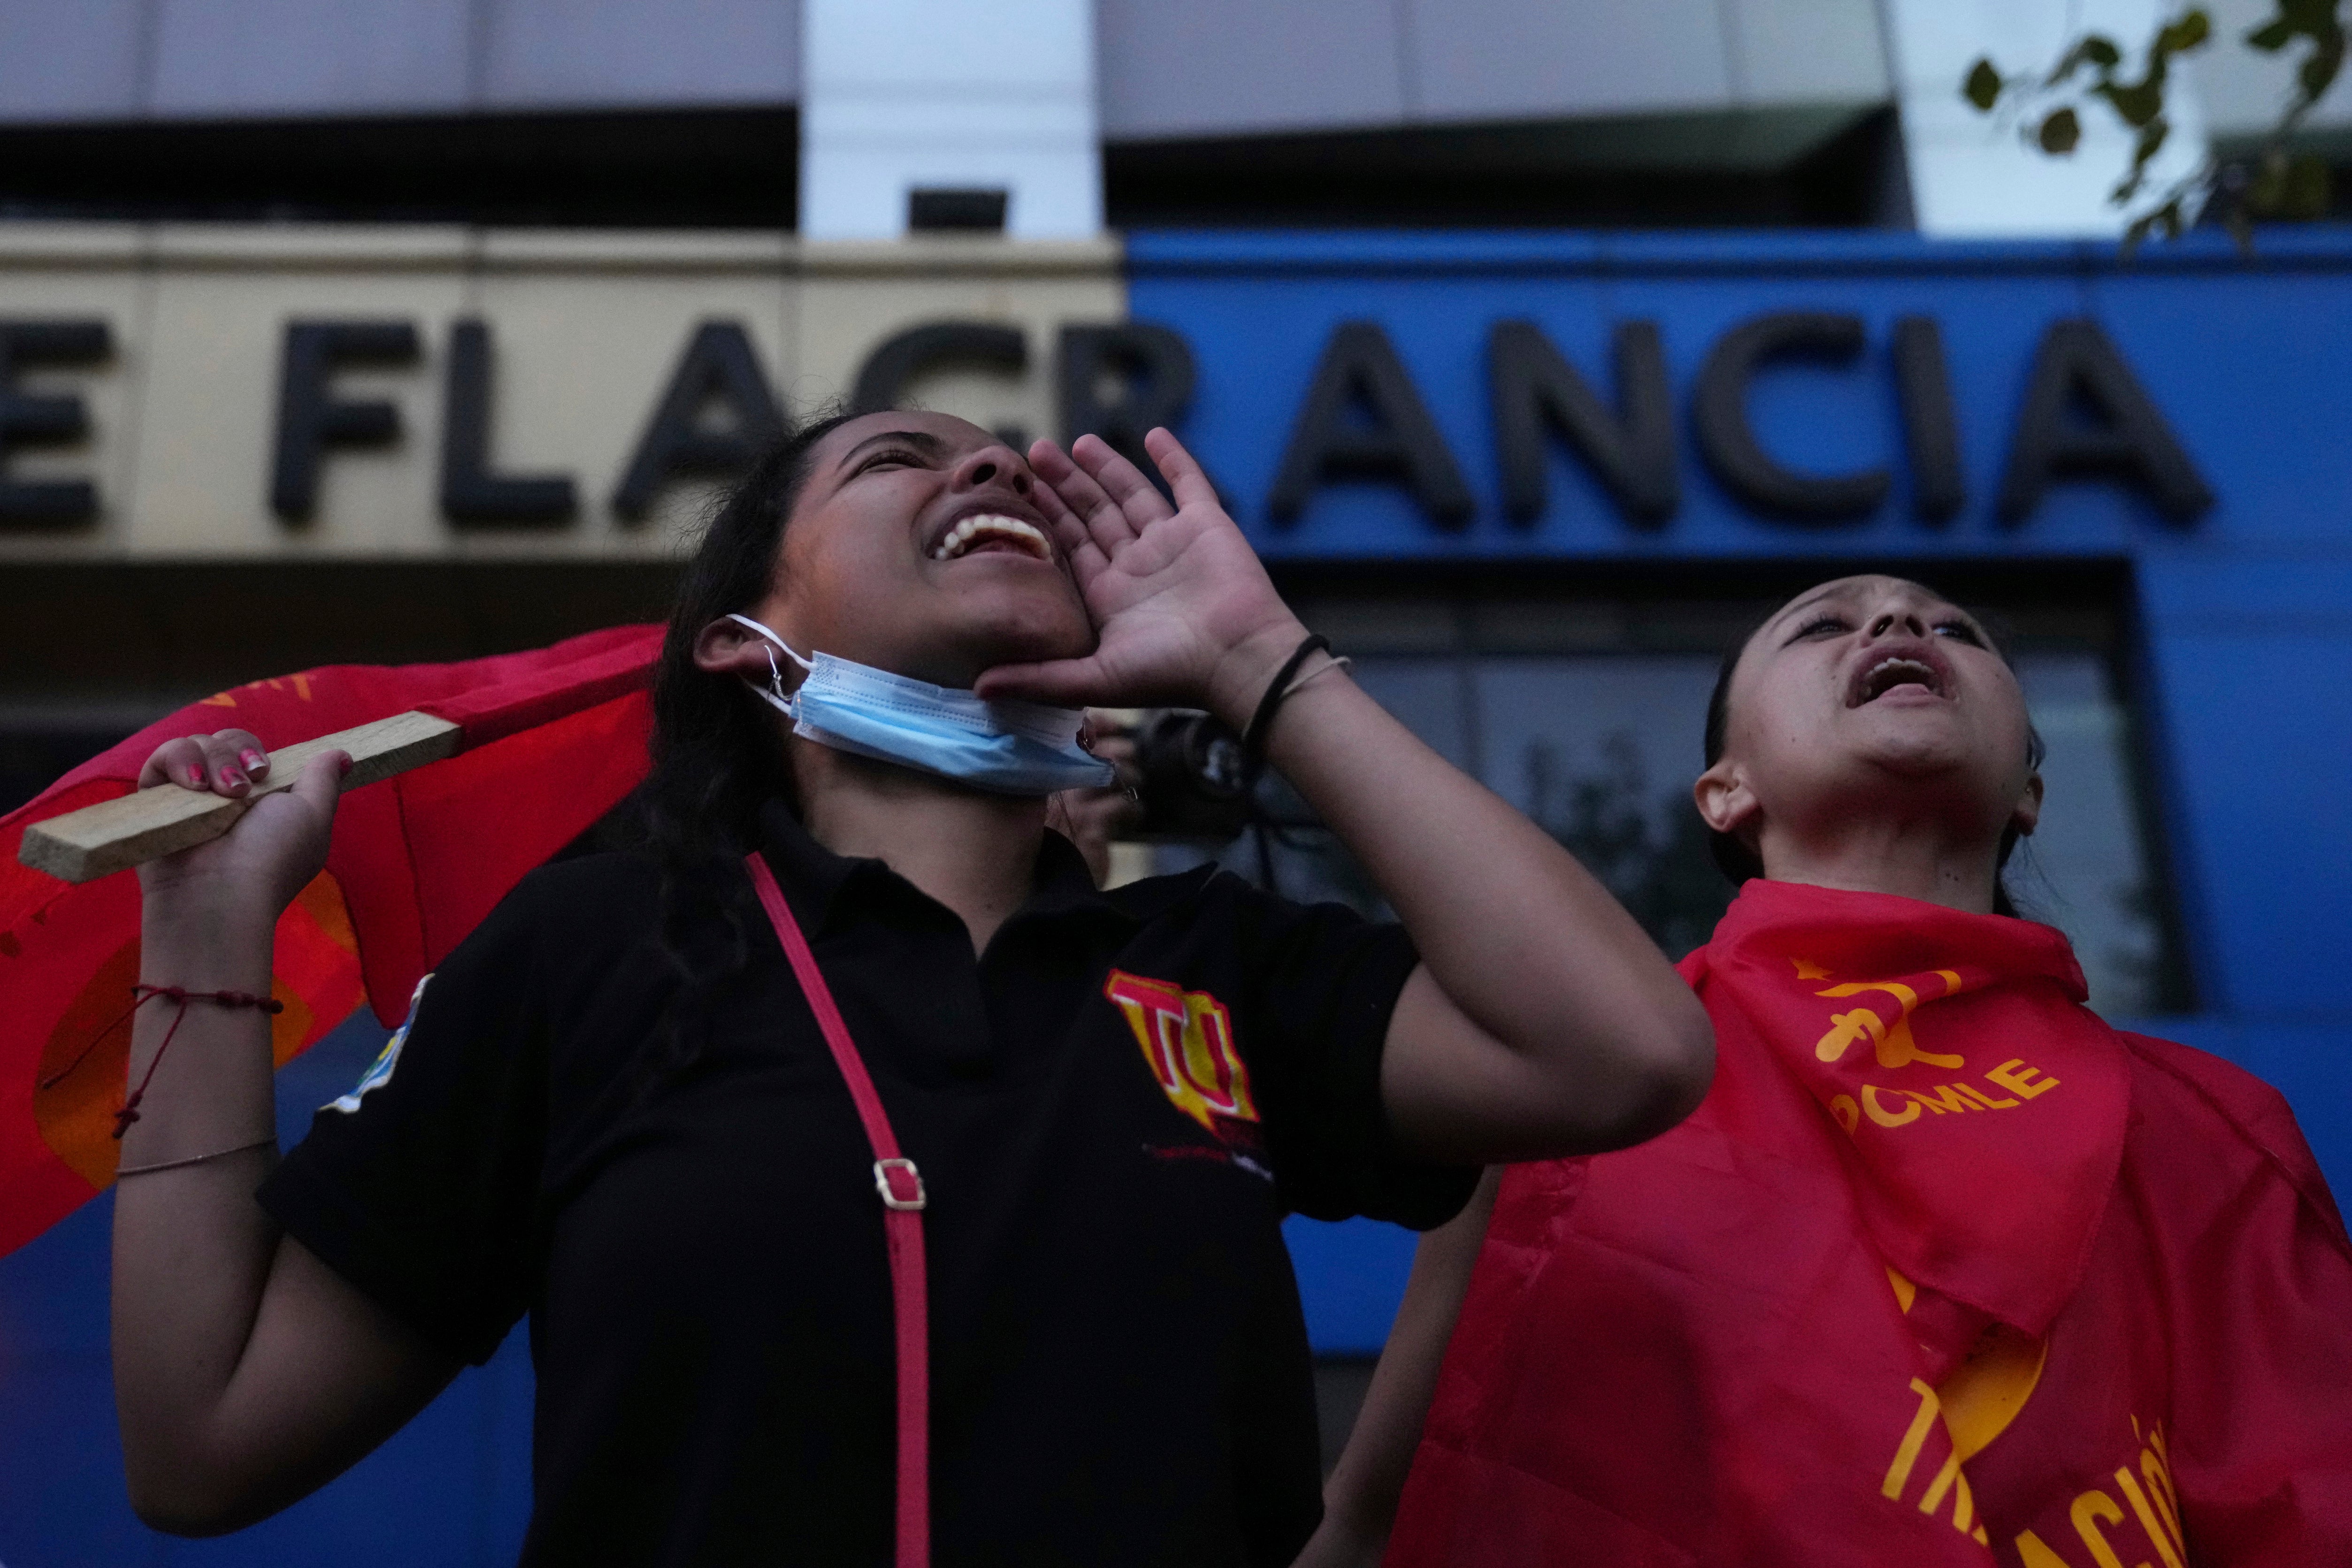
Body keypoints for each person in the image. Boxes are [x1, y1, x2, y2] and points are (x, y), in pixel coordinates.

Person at [106, 413, 1714, 1565]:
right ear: (745, 645)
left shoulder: (1217, 968)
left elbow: (1622, 1053)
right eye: (898, 457)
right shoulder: (590, 946)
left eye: (1005, 454)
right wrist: (204, 934)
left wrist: (1258, 663)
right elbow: (204, 1442)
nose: (997, 463)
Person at [1307, 575, 2352, 1568]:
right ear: (1724, 793)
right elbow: (1382, 1516)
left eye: (1955, 631)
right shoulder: (1586, 1087)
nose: (1898, 620)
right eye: (1820, 627)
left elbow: (2308, 1499)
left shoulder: (2208, 1124)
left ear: (2030, 793)